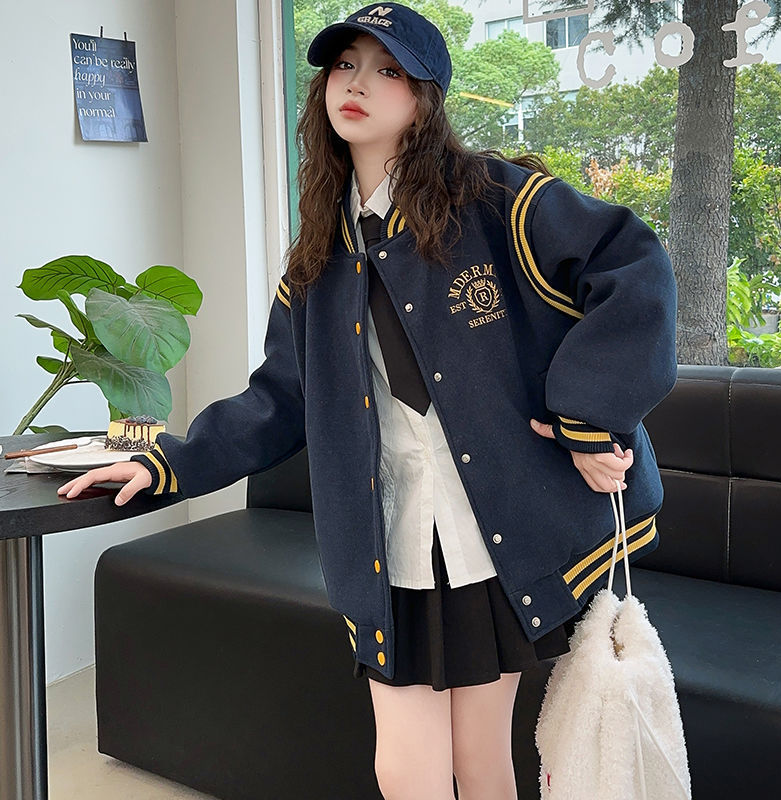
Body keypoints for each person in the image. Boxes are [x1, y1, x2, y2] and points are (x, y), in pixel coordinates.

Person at [58, 4, 678, 798]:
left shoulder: (499, 201)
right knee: (405, 770)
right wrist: (166, 463)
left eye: (387, 71)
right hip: (395, 543)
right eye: (345, 66)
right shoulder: (319, 255)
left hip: (499, 533)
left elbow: (635, 269)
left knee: (482, 761)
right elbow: (279, 398)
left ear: (424, 98)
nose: (357, 84)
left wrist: (588, 415)